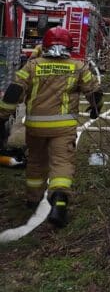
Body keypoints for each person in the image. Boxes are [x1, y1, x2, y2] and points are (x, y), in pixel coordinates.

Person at [0, 27, 102, 227]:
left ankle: (33, 200)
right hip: (63, 128)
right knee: (62, 163)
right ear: (69, 45)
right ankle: (60, 201)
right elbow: (94, 91)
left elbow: (13, 93)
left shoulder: (31, 66)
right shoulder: (78, 67)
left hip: (36, 127)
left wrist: (2, 116)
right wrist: (96, 109)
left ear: (44, 44)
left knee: (36, 162)